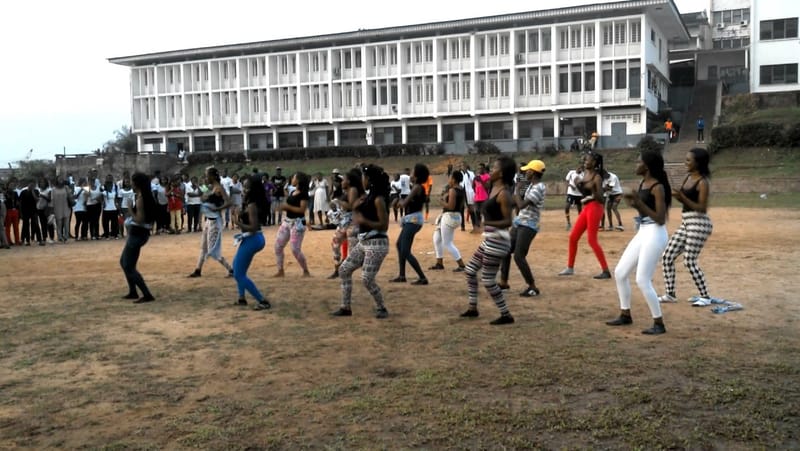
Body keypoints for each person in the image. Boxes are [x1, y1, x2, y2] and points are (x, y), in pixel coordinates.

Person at [606, 150, 671, 335]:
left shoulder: (658, 187)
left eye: (638, 162)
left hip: (656, 233)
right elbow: (642, 208)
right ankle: (625, 314)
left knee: (642, 279)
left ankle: (659, 323)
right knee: (620, 273)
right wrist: (633, 203)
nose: (636, 164)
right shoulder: (643, 183)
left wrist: (638, 204)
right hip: (644, 231)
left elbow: (659, 218)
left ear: (647, 166)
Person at [459, 156, 517, 325]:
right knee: (470, 270)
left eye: (494, 169)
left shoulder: (504, 194)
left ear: (501, 173)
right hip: (490, 239)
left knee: (488, 279)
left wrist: (486, 224)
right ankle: (472, 308)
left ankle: (506, 314)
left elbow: (508, 221)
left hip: (498, 240)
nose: (490, 171)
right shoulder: (493, 187)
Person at [331, 164, 391, 319]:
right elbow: (355, 208)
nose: (362, 180)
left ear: (369, 179)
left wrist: (364, 220)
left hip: (377, 243)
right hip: (365, 242)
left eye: (364, 177)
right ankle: (345, 308)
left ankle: (381, 307)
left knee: (367, 278)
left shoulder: (378, 199)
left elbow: (384, 226)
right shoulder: (369, 197)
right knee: (344, 270)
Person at [660, 147, 714, 303]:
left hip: (699, 223)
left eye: (688, 160)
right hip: (687, 222)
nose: (685, 163)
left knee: (689, 260)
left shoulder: (703, 182)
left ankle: (705, 296)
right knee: (667, 256)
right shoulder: (688, 177)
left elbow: (702, 208)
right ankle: (670, 294)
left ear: (698, 163)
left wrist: (682, 198)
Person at [558, 151, 611, 279]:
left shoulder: (597, 177)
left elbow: (600, 199)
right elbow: (583, 192)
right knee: (573, 237)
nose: (585, 161)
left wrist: (592, 188)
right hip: (587, 207)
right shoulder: (586, 174)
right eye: (585, 160)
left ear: (594, 163)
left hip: (595, 207)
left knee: (592, 240)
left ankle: (606, 270)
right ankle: (570, 267)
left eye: (587, 160)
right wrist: (579, 184)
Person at [499, 160, 546, 298]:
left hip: (529, 225)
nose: (525, 173)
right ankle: (503, 282)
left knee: (519, 256)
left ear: (533, 172)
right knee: (505, 250)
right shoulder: (532, 185)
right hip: (520, 222)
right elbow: (517, 203)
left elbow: (522, 204)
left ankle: (532, 287)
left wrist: (517, 191)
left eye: (528, 171)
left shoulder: (538, 188)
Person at [232, 175, 271, 310]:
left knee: (238, 273)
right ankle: (241, 298)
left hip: (253, 238)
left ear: (253, 189)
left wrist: (237, 222)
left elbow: (253, 228)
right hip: (251, 238)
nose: (244, 189)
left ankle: (262, 301)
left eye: (247, 187)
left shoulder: (252, 204)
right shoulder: (251, 202)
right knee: (236, 267)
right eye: (244, 186)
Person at [188, 167, 234, 278]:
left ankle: (231, 269)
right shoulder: (211, 187)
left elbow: (229, 202)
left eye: (207, 175)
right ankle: (198, 269)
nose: (206, 177)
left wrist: (217, 209)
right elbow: (200, 194)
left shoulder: (219, 188)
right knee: (204, 247)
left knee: (213, 250)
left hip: (215, 221)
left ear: (213, 176)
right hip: (209, 220)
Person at [120, 172, 158, 304]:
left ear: (137, 183)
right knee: (125, 263)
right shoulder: (146, 196)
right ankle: (133, 291)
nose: (130, 183)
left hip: (137, 233)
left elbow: (139, 219)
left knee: (128, 266)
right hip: (140, 233)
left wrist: (130, 209)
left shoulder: (141, 199)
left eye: (132, 181)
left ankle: (146, 294)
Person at [390, 163, 429, 286]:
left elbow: (404, 203)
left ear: (416, 176)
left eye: (412, 173)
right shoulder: (417, 187)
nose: (410, 175)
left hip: (413, 220)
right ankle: (402, 275)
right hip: (413, 219)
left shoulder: (417, 187)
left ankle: (422, 277)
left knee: (405, 250)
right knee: (399, 245)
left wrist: (396, 200)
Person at [274, 172, 311, 277]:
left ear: (298, 180)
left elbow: (302, 210)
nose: (292, 179)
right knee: (278, 246)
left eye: (294, 177)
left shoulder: (303, 194)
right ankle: (280, 270)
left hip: (297, 223)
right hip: (288, 221)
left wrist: (287, 207)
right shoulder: (293, 191)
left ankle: (305, 270)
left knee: (295, 249)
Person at [328, 168, 363, 279]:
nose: (342, 181)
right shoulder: (347, 190)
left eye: (344, 180)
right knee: (335, 243)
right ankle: (338, 268)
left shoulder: (353, 190)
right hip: (345, 223)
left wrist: (338, 202)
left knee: (353, 252)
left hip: (352, 223)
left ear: (349, 181)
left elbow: (351, 206)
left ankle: (363, 269)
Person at [429, 171, 467, 272]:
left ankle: (461, 265)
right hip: (456, 216)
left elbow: (450, 206)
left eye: (450, 178)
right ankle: (439, 263)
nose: (449, 180)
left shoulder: (452, 190)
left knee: (447, 243)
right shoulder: (461, 189)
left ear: (454, 179)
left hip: (449, 216)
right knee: (437, 238)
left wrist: (442, 202)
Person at [564, 164, 584, 231]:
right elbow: (566, 181)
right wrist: (570, 186)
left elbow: (584, 184)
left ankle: (580, 223)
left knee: (579, 210)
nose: (580, 170)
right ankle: (568, 223)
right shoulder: (571, 172)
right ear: (577, 168)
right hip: (571, 193)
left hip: (579, 194)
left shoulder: (583, 175)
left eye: (581, 169)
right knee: (567, 207)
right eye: (579, 168)